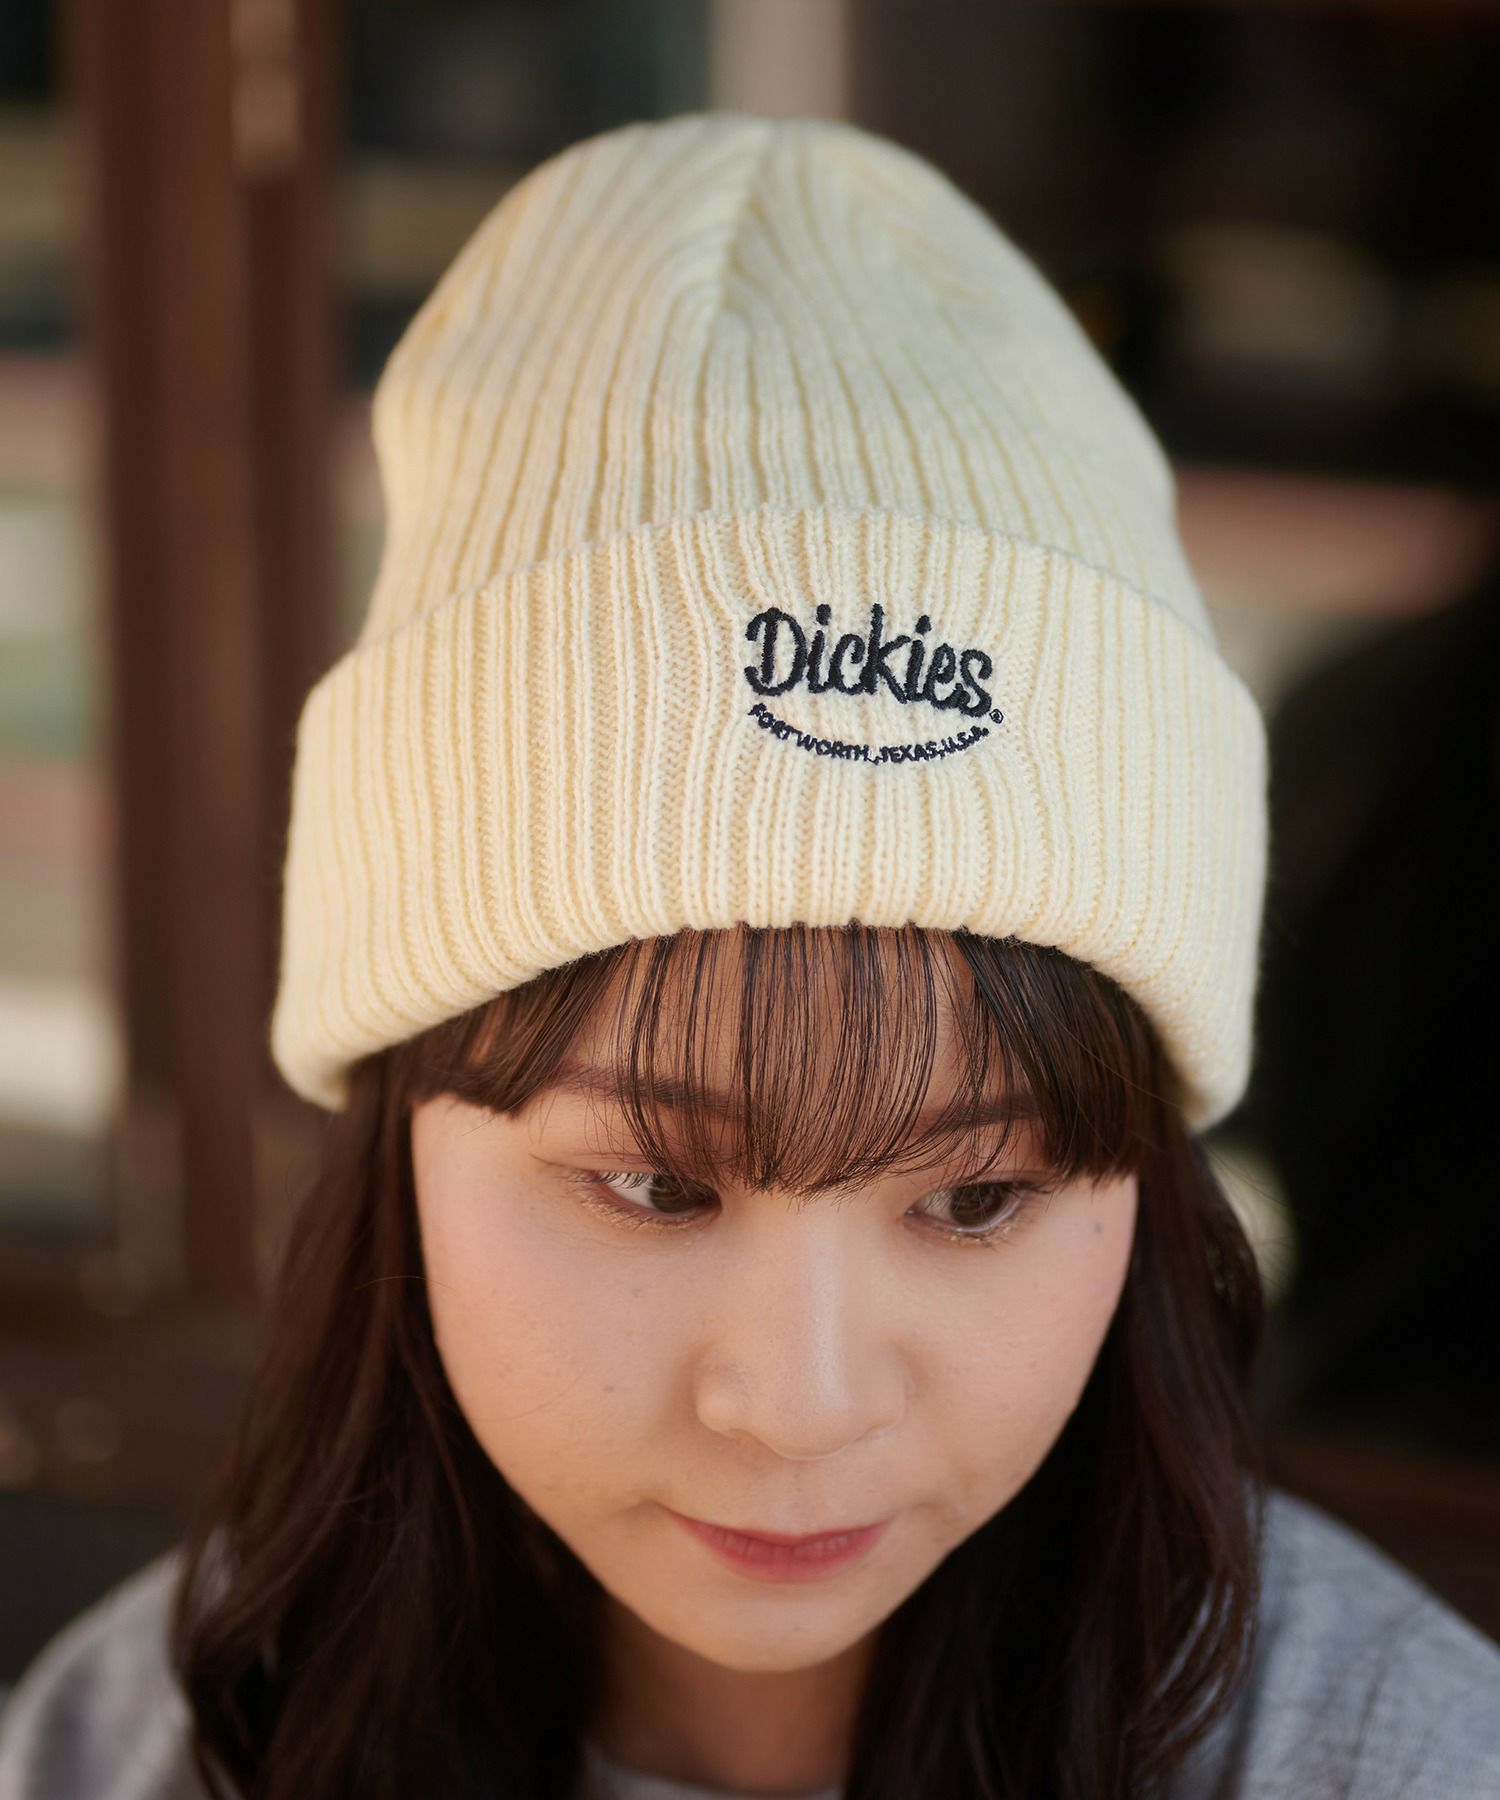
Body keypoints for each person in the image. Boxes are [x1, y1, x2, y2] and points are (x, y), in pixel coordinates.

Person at [1, 111, 1496, 1800]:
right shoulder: (147, 1744)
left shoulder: (1392, 1765)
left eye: (977, 1199)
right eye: (653, 1185)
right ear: (399, 1123)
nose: (798, 1403)